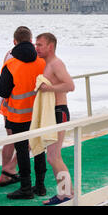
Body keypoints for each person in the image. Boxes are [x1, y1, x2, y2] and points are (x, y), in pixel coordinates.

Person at [0, 27, 47, 200]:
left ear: (14, 42)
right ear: (31, 40)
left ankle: (25, 188)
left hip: (17, 115)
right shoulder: (42, 61)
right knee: (39, 148)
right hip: (38, 113)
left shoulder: (10, 64)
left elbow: (2, 91)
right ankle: (40, 187)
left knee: (22, 151)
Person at [35, 33, 75, 205]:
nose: (36, 48)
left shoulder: (56, 63)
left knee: (54, 157)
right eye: (36, 44)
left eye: (40, 45)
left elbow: (70, 85)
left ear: (50, 46)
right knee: (52, 156)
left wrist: (47, 88)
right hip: (53, 112)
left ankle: (67, 194)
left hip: (59, 112)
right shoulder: (48, 64)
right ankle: (63, 193)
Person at [0, 27, 30, 188]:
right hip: (23, 105)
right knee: (29, 140)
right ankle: (9, 170)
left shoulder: (9, 54)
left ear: (14, 41)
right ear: (30, 41)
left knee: (11, 139)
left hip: (7, 103)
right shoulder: (32, 56)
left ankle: (6, 172)